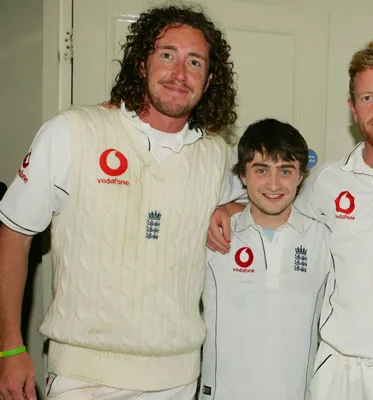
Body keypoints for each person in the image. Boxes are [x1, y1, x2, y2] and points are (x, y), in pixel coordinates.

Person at [0, 5, 237, 399]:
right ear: (141, 64)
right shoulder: (73, 132)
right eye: (167, 55)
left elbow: (261, 201)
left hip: (178, 379)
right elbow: (13, 233)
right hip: (84, 379)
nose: (180, 73)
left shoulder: (216, 156)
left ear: (209, 79)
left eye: (194, 62)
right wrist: (9, 346)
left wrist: (230, 207)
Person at [208, 39, 373, 400]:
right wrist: (231, 207)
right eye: (366, 98)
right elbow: (276, 202)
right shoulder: (327, 180)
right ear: (352, 109)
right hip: (337, 373)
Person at [200, 118, 332, 400]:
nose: (274, 184)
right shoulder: (213, 232)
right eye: (261, 170)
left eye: (285, 170)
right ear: (243, 176)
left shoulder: (324, 238)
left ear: (301, 176)